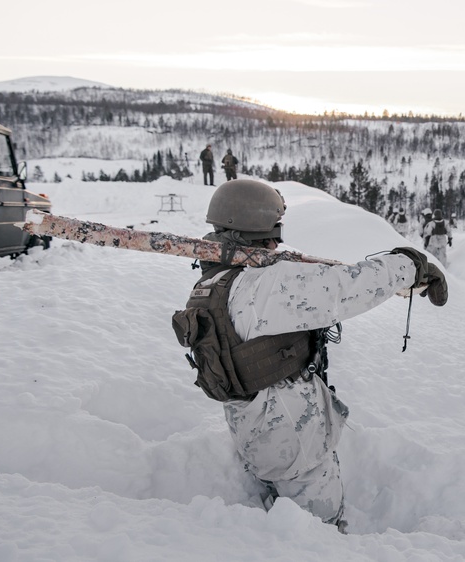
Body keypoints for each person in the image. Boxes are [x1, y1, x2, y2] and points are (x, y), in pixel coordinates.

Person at [175, 179, 447, 530]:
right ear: (258, 230)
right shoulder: (265, 286)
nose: (278, 240)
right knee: (318, 534)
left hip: (255, 429)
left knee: (281, 522)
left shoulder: (211, 285)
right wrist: (411, 265)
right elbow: (347, 287)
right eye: (275, 231)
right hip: (293, 445)